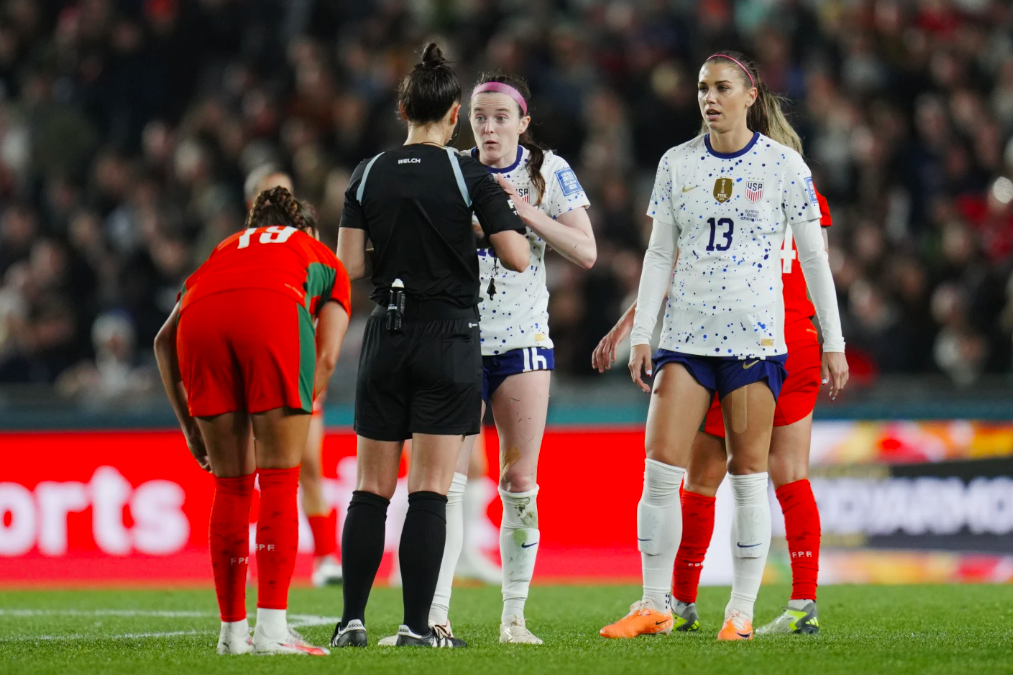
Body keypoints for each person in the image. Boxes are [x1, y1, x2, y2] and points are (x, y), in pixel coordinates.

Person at [596, 51, 848, 641]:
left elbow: (815, 260)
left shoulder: (784, 166)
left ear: (750, 95)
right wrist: (641, 333)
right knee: (661, 469)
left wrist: (833, 341)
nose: (710, 98)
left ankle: (739, 614)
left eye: (722, 88)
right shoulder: (676, 162)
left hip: (756, 340)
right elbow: (660, 253)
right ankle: (654, 604)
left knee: (749, 476)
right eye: (703, 88)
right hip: (685, 338)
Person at [329, 43, 529, 650]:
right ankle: (417, 626)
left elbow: (347, 266)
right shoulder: (469, 175)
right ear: (453, 116)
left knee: (370, 489)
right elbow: (517, 256)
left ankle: (351, 620)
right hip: (448, 337)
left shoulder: (367, 172)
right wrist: (467, 232)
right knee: (430, 491)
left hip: (386, 335)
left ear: (402, 109)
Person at [406, 71, 596, 646]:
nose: (488, 128)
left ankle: (514, 619)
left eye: (500, 117)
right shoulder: (451, 167)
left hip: (522, 340)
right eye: (480, 117)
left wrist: (523, 213)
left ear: (523, 123)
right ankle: (436, 614)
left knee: (519, 479)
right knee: (448, 482)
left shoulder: (549, 171)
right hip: (458, 338)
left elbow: (586, 251)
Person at [153, 186, 351, 655]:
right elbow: (325, 357)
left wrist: (189, 427)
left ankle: (231, 635)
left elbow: (163, 341)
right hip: (273, 311)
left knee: (231, 487)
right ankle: (272, 631)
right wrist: (290, 415)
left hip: (201, 318)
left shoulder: (224, 248)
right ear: (305, 228)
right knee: (279, 481)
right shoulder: (320, 254)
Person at [244, 167, 343, 587]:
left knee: (310, 468)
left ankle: (326, 558)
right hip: (256, 370)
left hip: (298, 369)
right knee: (251, 473)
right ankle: (249, 555)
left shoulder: (308, 240)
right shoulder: (243, 248)